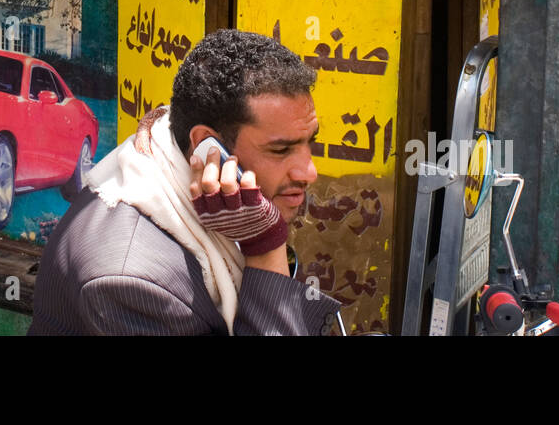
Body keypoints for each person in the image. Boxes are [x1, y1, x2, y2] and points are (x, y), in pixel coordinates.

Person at [29, 29, 341, 335]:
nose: (308, 172)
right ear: (207, 146)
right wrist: (265, 246)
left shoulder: (169, 146)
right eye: (281, 149)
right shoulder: (132, 282)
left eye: (308, 143)